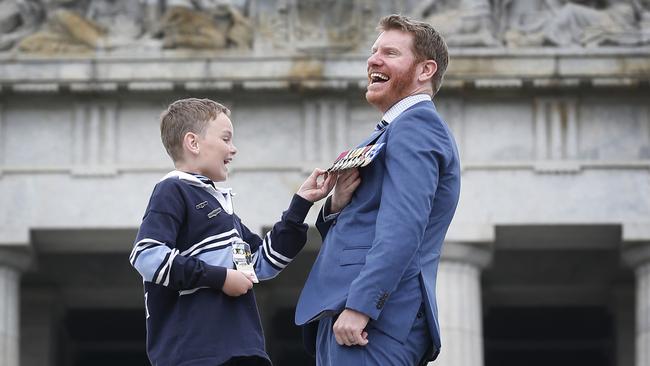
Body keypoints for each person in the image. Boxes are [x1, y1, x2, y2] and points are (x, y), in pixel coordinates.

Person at [295, 14, 461, 366]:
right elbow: (368, 222)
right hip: (349, 315)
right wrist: (337, 206)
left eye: (390, 53)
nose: (373, 60)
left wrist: (362, 305)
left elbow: (404, 228)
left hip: (372, 321)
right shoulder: (395, 129)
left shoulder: (416, 126)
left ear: (425, 70)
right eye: (373, 52)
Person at [129, 98, 338, 366]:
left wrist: (301, 204)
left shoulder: (223, 210)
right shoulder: (172, 190)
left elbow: (263, 263)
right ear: (193, 143)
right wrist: (220, 278)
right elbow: (146, 256)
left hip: (242, 350)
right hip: (195, 354)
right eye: (226, 139)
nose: (234, 148)